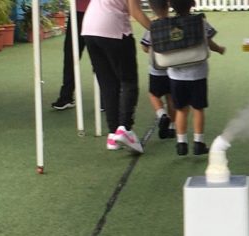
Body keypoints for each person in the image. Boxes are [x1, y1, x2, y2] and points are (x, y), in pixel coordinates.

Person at [81, 0, 152, 153]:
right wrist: (157, 30)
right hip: (113, 30)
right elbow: (135, 11)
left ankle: (113, 134)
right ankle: (125, 129)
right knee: (129, 81)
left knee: (107, 84)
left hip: (89, 29)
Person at [167, 0, 225, 156]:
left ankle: (181, 143)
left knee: (180, 110)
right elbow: (209, 41)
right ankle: (198, 142)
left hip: (175, 74)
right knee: (198, 109)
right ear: (192, 4)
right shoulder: (200, 21)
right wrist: (219, 49)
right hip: (197, 73)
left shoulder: (167, 24)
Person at [139, 0, 176, 140]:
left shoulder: (152, 26)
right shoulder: (174, 24)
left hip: (156, 68)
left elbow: (144, 46)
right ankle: (173, 126)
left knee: (154, 94)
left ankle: (161, 114)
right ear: (168, 6)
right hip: (172, 68)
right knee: (171, 97)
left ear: (151, 8)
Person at [51, 0, 90, 111]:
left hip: (100, 12)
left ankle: (106, 97)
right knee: (70, 56)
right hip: (77, 13)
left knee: (101, 57)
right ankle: (66, 96)